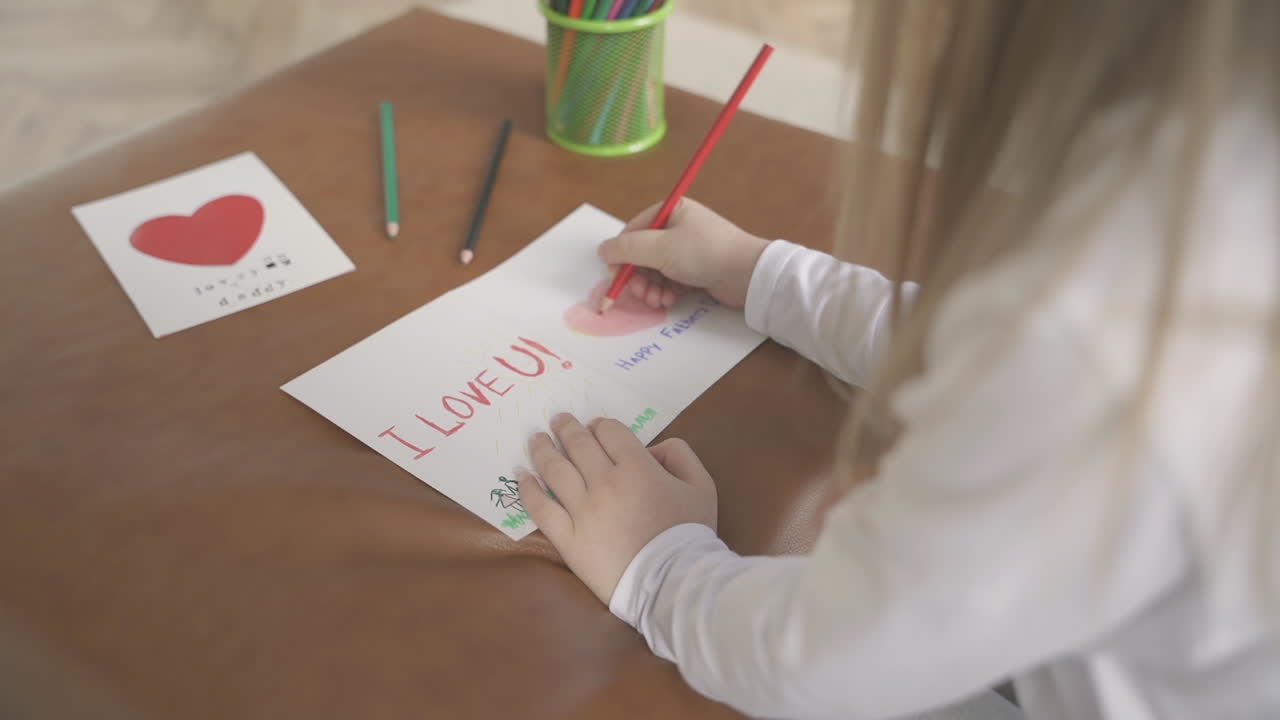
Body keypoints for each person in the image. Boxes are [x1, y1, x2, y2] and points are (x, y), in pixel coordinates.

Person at [517, 2, 1280, 718]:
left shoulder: (1089, 331)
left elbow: (816, 662)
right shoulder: (1217, 173)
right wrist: (763, 274)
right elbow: (989, 357)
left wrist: (657, 567)